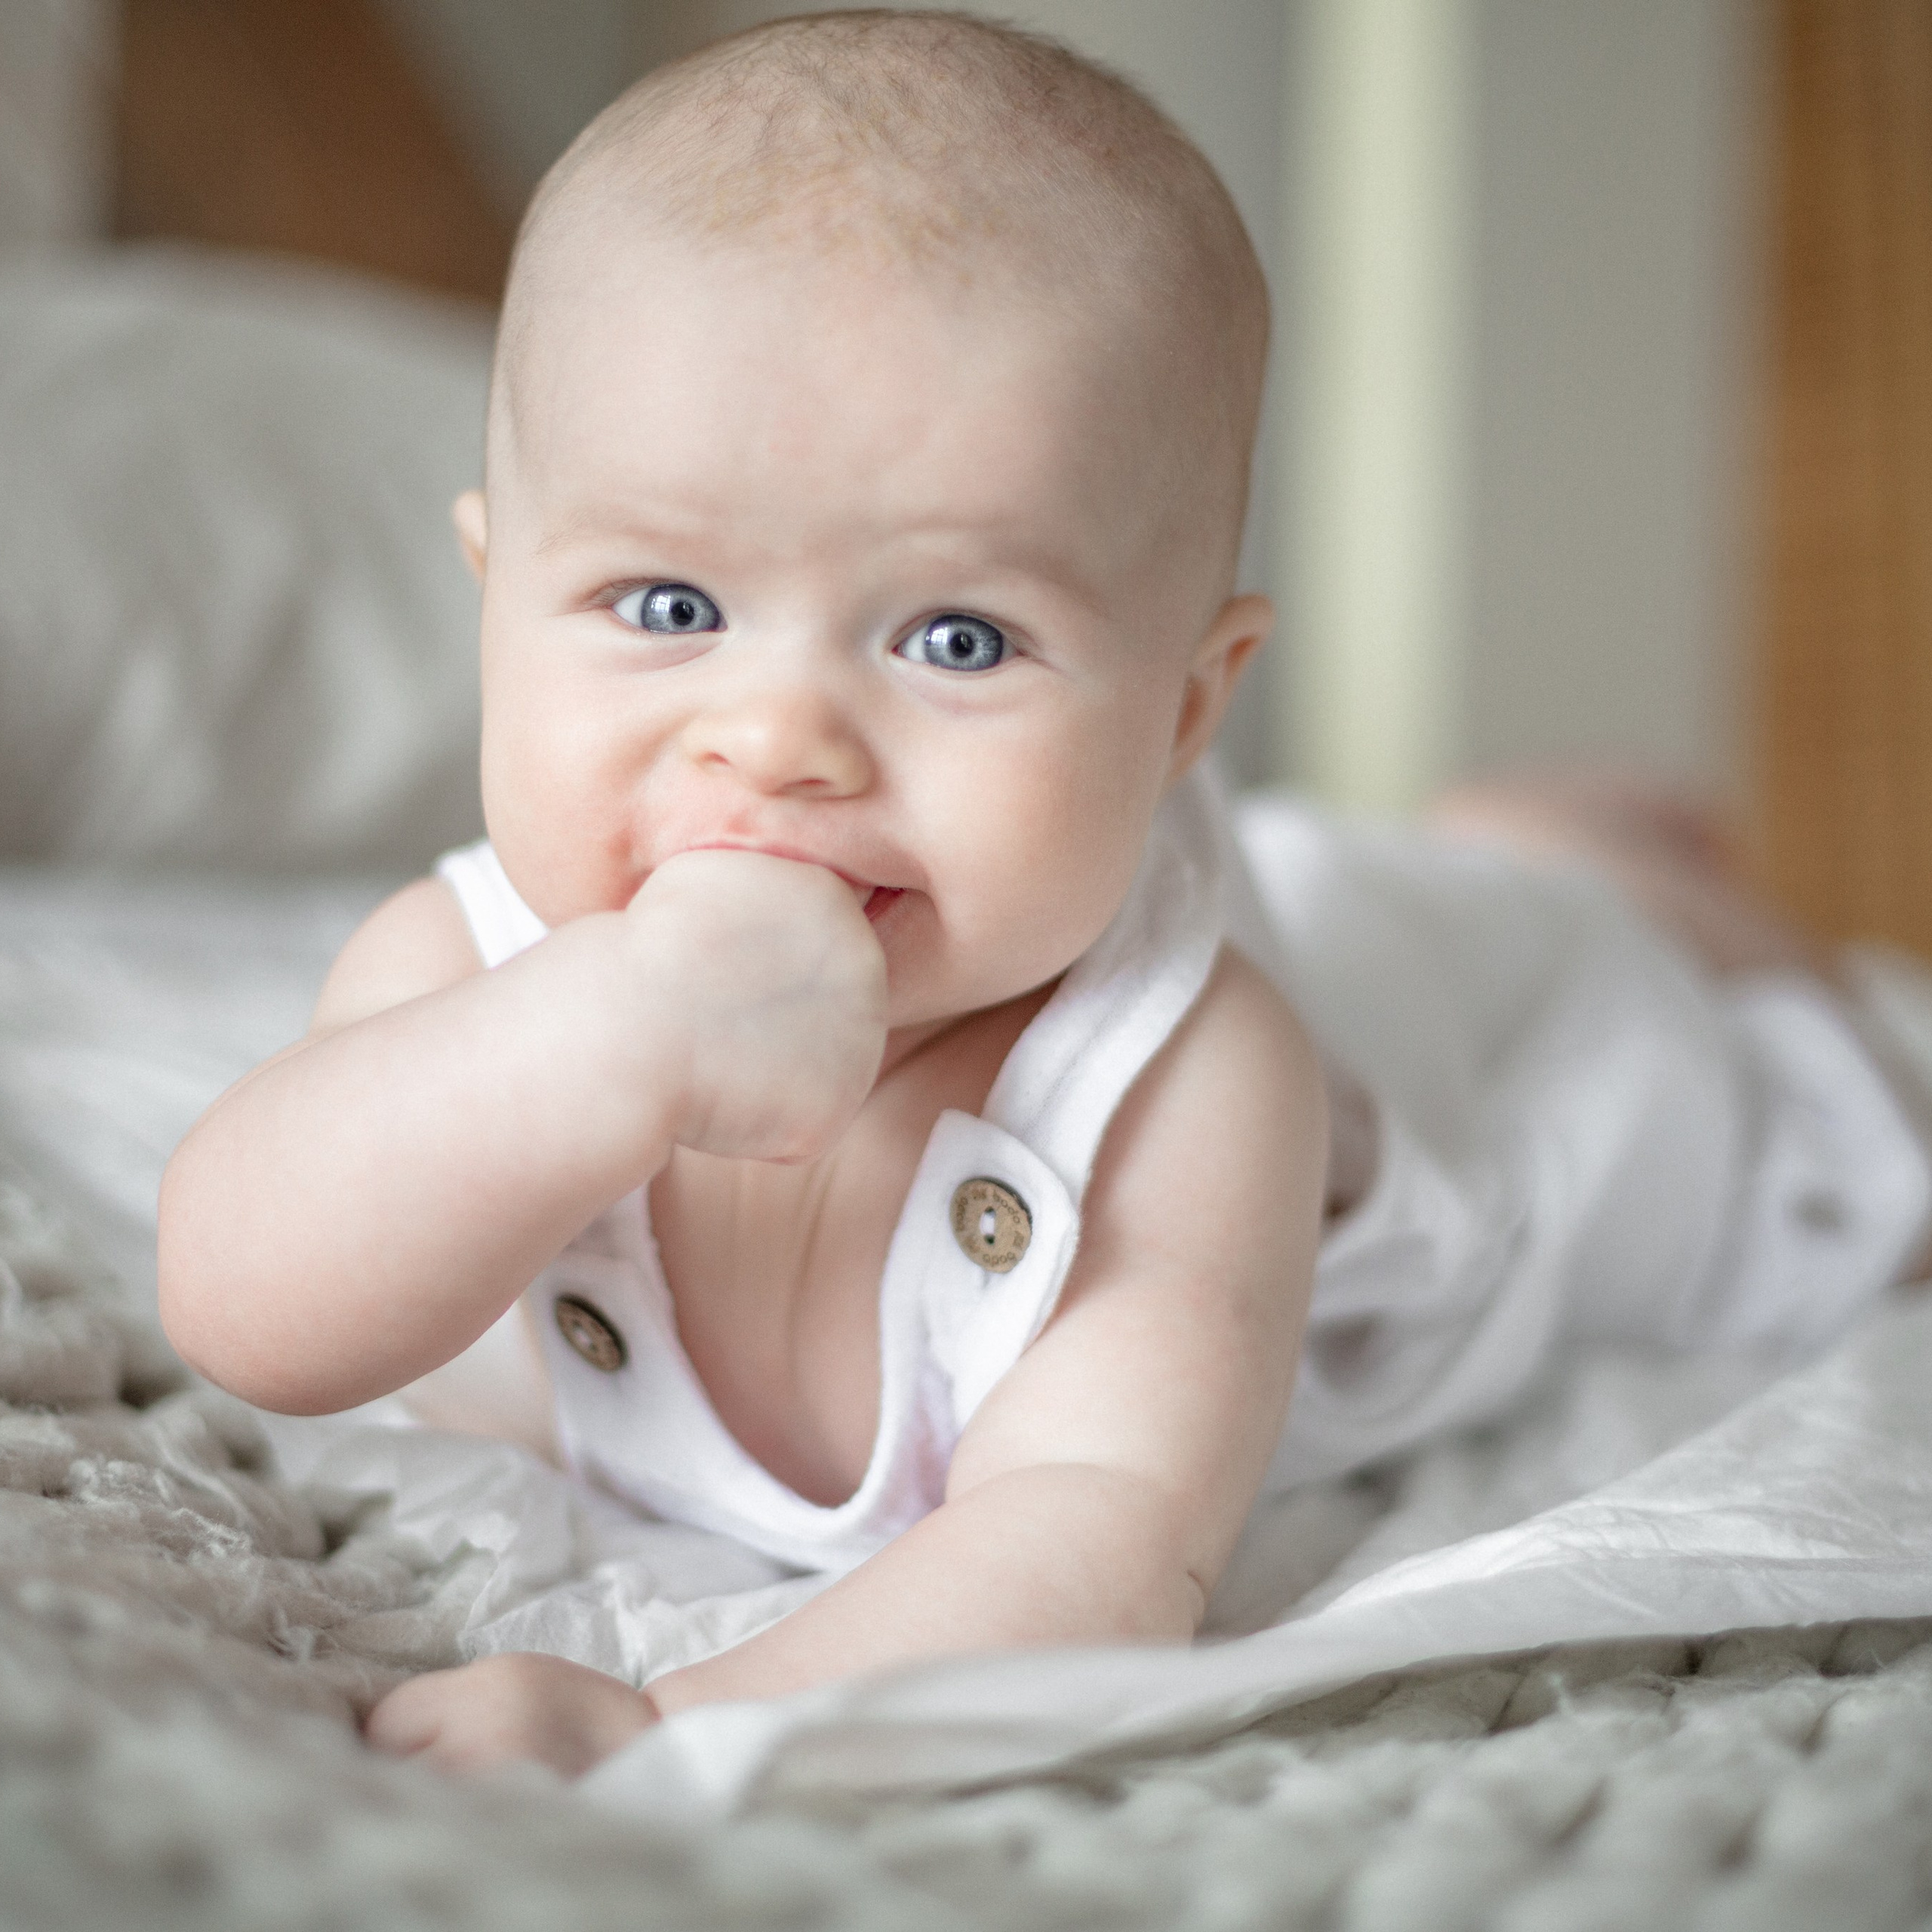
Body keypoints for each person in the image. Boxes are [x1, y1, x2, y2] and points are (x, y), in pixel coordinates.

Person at [155, 10, 1932, 1780]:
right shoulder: (466, 970)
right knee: (1374, 886)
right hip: (1300, 899)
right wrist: (585, 1038)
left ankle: (1606, 874)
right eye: (669, 606)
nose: (775, 742)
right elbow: (245, 1299)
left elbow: (1094, 1535)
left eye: (955, 637)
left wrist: (668, 1725)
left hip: (1485, 1074)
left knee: (1796, 1110)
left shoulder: (1185, 1084)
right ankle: (1497, 842)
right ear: (493, 595)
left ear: (1180, 707)